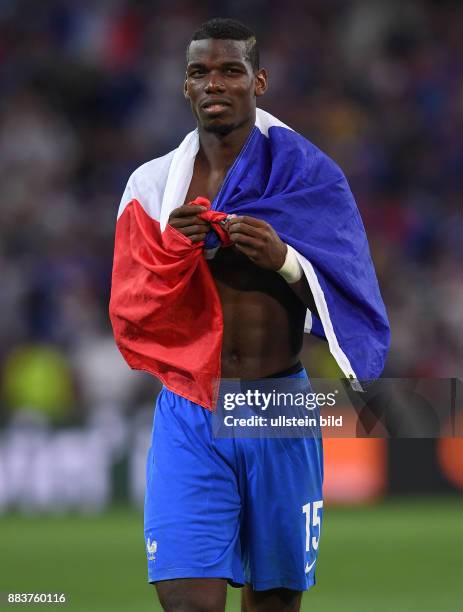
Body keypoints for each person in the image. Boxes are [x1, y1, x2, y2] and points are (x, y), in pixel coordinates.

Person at [109, 18, 390, 612]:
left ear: (258, 81)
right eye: (200, 72)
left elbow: (354, 298)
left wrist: (286, 260)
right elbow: (133, 304)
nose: (215, 82)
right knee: (190, 603)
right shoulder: (154, 188)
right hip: (191, 408)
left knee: (274, 605)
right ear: (185, 87)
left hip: (276, 407)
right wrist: (171, 253)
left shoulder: (308, 177)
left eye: (230, 70)